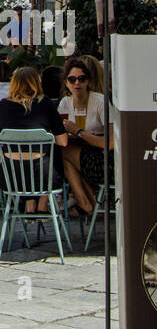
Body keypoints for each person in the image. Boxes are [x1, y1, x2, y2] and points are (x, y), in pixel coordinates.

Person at [0, 67, 68, 214]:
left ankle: (30, 205)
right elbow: (63, 141)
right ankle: (42, 203)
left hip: (11, 177)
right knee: (54, 150)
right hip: (43, 176)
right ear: (37, 83)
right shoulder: (46, 104)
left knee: (20, 165)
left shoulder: (3, 105)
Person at [57, 56, 113, 217]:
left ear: (88, 81)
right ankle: (91, 203)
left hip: (103, 160)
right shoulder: (65, 103)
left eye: (81, 79)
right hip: (82, 154)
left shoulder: (99, 101)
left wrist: (79, 132)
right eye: (72, 79)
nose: (77, 83)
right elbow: (60, 135)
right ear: (66, 83)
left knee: (63, 153)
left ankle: (87, 204)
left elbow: (110, 143)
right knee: (64, 154)